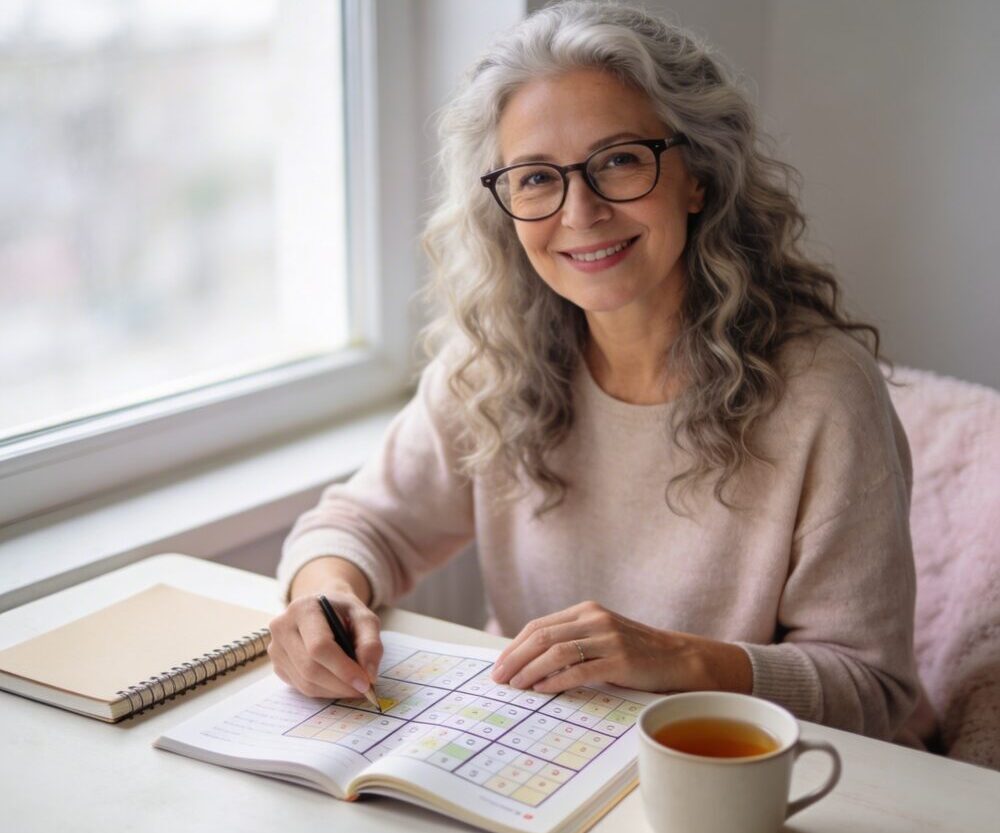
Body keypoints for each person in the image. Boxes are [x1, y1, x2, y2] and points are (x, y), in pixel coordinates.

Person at [267, 0, 920, 741]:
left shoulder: (823, 393)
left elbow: (874, 692)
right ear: (505, 204)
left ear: (697, 175)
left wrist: (676, 658)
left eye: (617, 160)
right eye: (536, 178)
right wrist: (323, 599)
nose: (580, 212)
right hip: (538, 758)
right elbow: (357, 523)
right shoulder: (494, 360)